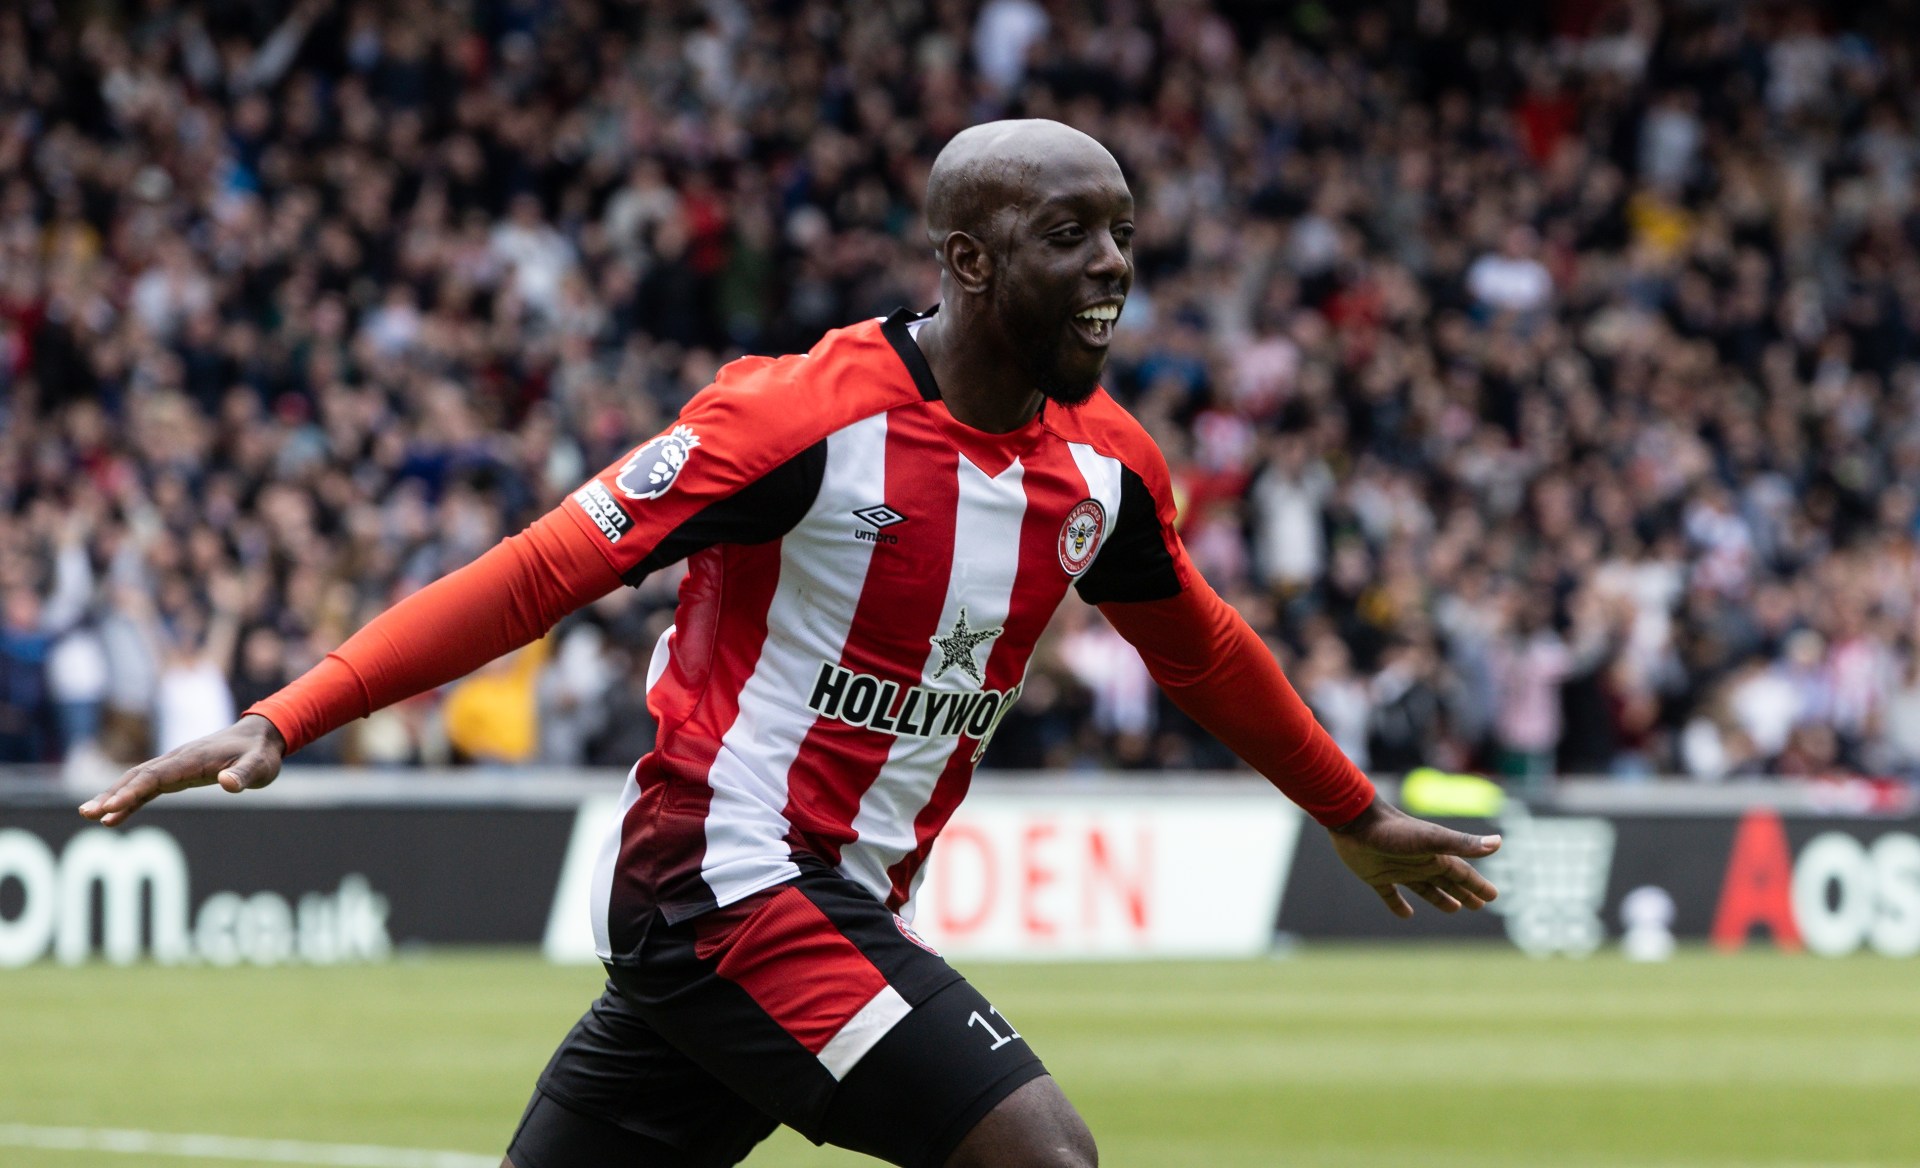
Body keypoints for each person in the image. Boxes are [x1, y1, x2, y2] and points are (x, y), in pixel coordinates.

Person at [79, 120, 1501, 1168]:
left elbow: (1200, 649)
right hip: (727, 879)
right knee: (1040, 1159)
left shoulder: (1108, 466)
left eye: (1123, 233)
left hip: (824, 900)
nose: (1113, 267)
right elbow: (541, 571)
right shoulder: (797, 421)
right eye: (1072, 236)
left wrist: (1352, 811)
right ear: (968, 259)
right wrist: (288, 714)